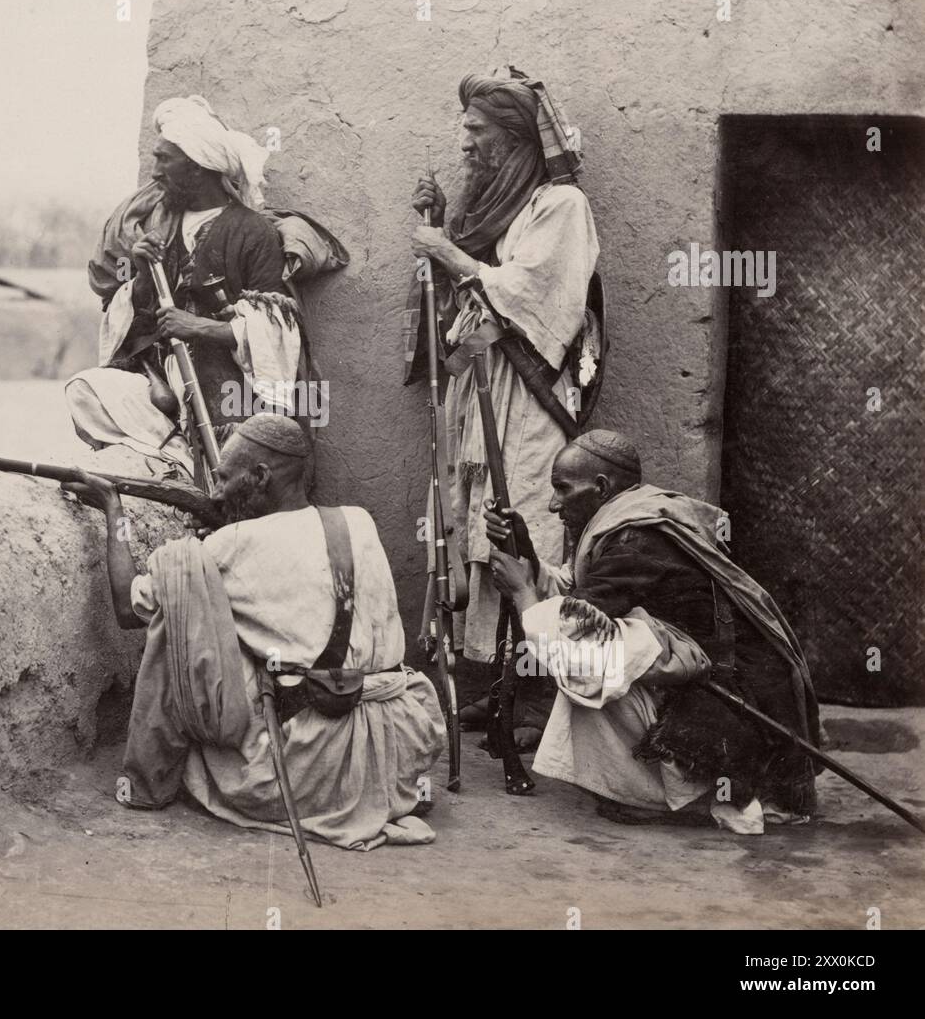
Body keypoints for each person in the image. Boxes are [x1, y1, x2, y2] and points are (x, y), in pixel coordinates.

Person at [63, 414, 446, 850]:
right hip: (396, 752)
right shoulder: (358, 521)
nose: (215, 492)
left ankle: (153, 781)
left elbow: (127, 609)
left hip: (316, 768)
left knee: (182, 604)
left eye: (224, 478)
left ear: (261, 476)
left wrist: (114, 510)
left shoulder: (230, 546)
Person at [482, 429, 820, 833]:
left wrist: (522, 592)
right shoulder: (629, 521)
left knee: (591, 665)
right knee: (610, 646)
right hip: (725, 698)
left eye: (562, 489)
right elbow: (582, 597)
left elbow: (568, 634)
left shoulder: (635, 538)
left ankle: (675, 797)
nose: (554, 504)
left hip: (733, 712)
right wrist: (527, 554)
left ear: (602, 487)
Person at [410, 67, 599, 740]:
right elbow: (472, 285)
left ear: (516, 138)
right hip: (483, 388)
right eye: (463, 130)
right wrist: (445, 231)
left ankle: (544, 696)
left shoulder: (561, 208)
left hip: (532, 397)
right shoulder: (501, 208)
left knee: (527, 530)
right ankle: (499, 683)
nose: (465, 144)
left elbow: (537, 296)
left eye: (477, 132)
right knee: (480, 529)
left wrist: (451, 257)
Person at [69, 96, 312, 476]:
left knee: (241, 440)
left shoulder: (252, 231)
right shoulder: (160, 227)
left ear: (197, 167)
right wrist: (143, 272)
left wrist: (199, 327)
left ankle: (192, 459)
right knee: (85, 390)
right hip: (167, 383)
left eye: (165, 159)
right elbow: (140, 325)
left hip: (232, 389)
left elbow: (280, 332)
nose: (155, 172)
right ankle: (179, 457)